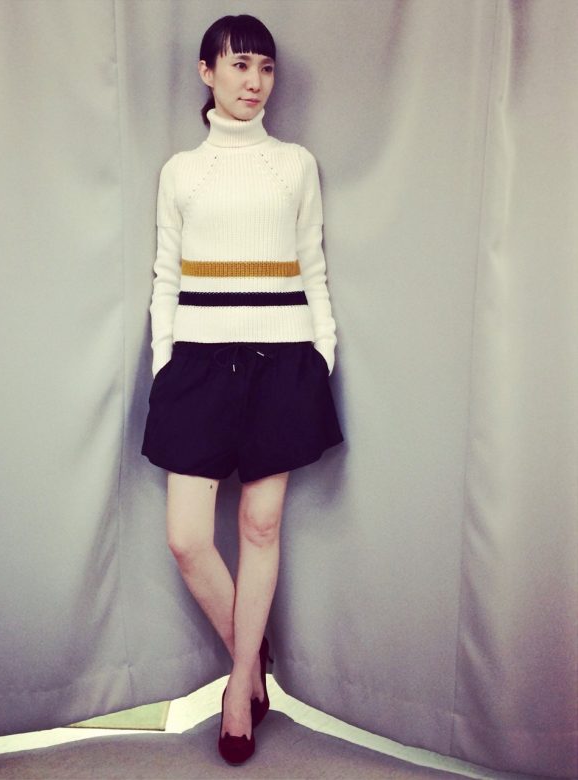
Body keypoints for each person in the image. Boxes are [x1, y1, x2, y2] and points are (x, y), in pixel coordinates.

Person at [141, 13, 343, 766]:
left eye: (265, 68)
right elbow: (166, 274)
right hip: (196, 364)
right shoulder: (180, 172)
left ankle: (236, 696)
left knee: (260, 526)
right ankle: (250, 666)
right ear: (207, 73)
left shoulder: (295, 165)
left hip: (283, 361)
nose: (254, 82)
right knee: (187, 538)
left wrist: (321, 353)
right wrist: (165, 361)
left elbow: (312, 263)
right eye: (239, 65)